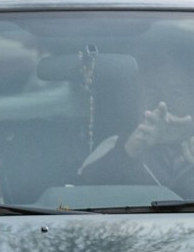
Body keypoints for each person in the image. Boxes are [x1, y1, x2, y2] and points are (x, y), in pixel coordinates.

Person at [79, 47, 194, 198]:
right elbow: (78, 196)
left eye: (176, 93)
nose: (163, 103)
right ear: (135, 102)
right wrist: (128, 151)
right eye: (151, 92)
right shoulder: (115, 145)